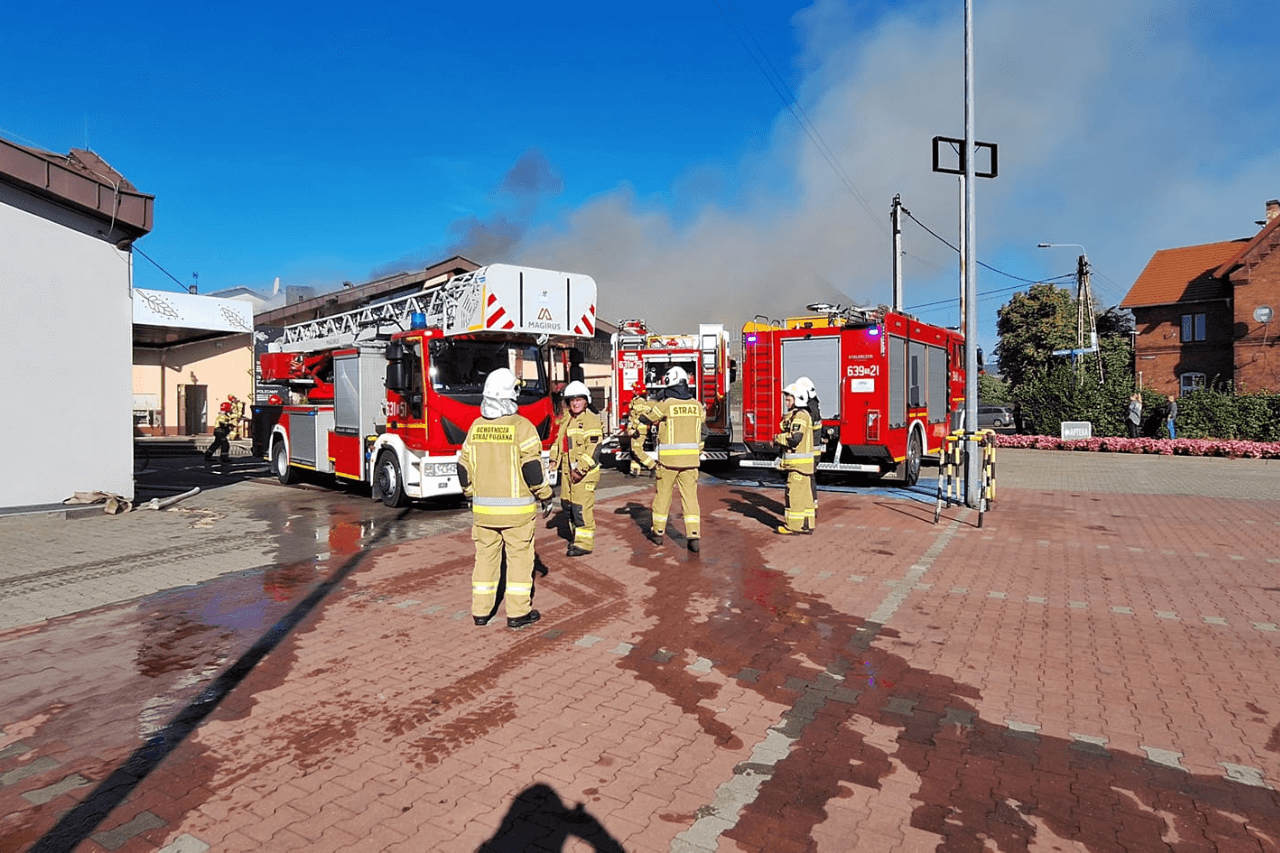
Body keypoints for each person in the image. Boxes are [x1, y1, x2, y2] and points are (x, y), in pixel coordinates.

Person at [458, 368, 554, 629]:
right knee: (520, 561)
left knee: (485, 560)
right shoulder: (522, 427)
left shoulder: (476, 427)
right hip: (517, 515)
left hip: (483, 513)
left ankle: (481, 611)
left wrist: (469, 495)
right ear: (510, 395)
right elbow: (532, 469)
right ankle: (517, 613)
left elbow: (463, 468)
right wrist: (546, 495)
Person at [640, 366, 706, 552]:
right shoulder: (697, 406)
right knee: (690, 499)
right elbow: (702, 425)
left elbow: (647, 418)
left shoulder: (666, 404)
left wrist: (650, 405)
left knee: (662, 497)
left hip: (668, 463)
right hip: (691, 462)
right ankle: (694, 536)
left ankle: (658, 533)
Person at [550, 381, 603, 557]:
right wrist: (553, 460)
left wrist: (580, 470)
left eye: (579, 399)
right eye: (571, 400)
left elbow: (593, 449)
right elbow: (559, 443)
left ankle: (584, 544)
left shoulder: (590, 421)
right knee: (569, 507)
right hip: (567, 473)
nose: (575, 403)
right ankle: (576, 538)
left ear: (586, 401)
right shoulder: (567, 420)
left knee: (581, 509)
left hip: (583, 474)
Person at [774, 383, 816, 535]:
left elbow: (794, 438)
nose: (786, 401)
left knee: (794, 495)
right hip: (804, 466)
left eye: (788, 398)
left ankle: (793, 527)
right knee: (805, 496)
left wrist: (778, 438)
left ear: (797, 398)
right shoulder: (801, 415)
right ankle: (806, 524)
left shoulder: (800, 416)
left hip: (797, 466)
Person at [793, 376, 823, 512]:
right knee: (810, 479)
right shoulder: (814, 406)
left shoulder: (808, 411)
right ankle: (812, 507)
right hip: (813, 450)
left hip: (808, 450)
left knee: (806, 480)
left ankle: (808, 508)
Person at [625, 381, 658, 477]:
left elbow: (638, 417)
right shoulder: (637, 400)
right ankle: (635, 471)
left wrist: (634, 429)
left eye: (634, 389)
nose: (633, 391)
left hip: (638, 430)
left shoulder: (639, 402)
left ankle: (652, 466)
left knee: (636, 450)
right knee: (634, 450)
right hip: (637, 429)